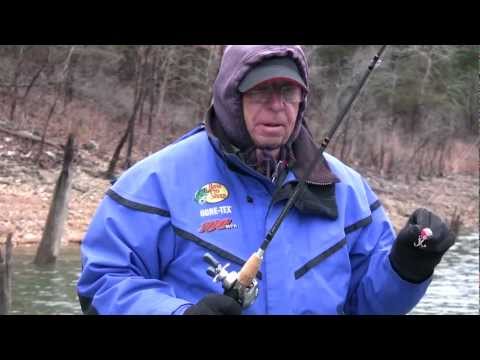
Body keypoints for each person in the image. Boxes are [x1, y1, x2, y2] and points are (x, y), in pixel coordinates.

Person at [77, 45, 455, 315]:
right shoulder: (154, 183)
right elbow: (103, 283)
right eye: (261, 91)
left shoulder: (348, 189)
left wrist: (406, 268)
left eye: (288, 91)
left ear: (302, 98)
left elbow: (368, 305)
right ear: (231, 97)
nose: (277, 106)